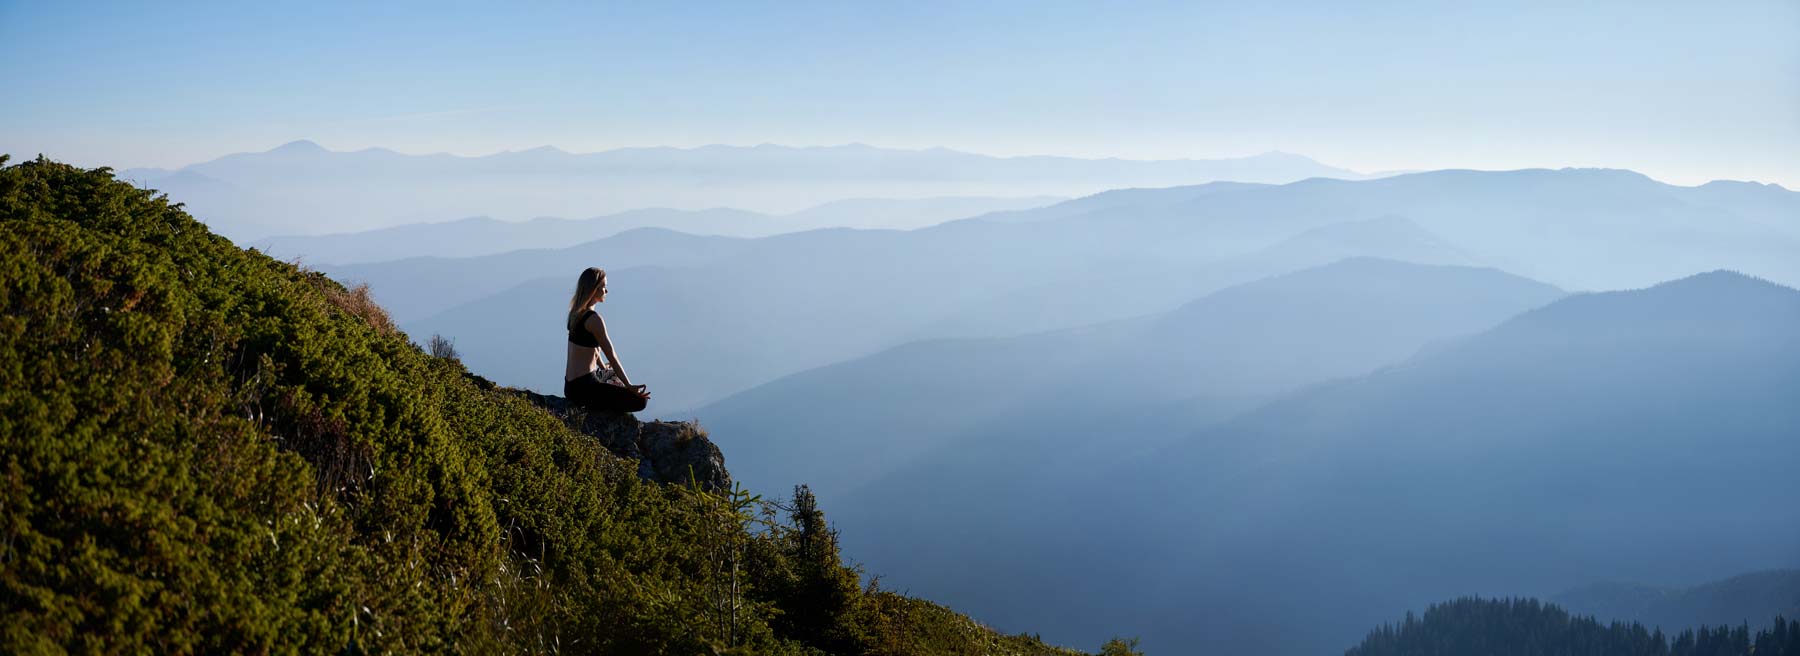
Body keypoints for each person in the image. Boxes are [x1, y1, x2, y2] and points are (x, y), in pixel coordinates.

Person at [563, 267, 650, 413]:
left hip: (570, 386)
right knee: (641, 401)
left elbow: (591, 349)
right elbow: (613, 357)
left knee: (611, 373)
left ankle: (603, 393)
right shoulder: (594, 320)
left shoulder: (575, 314)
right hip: (585, 387)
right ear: (593, 290)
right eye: (603, 287)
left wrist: (604, 368)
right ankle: (599, 408)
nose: (606, 291)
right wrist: (629, 386)